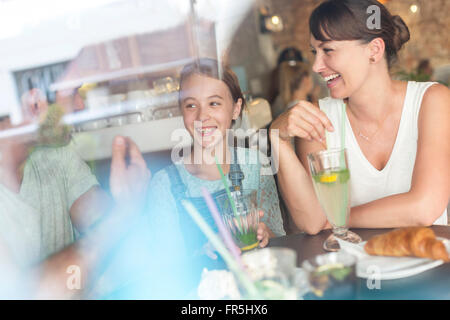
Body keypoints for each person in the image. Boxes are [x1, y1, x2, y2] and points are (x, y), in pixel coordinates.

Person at [270, 0, 449, 235]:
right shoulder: (319, 119)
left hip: (430, 262)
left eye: (328, 50)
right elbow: (313, 222)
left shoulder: (432, 100)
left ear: (374, 50)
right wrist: (277, 140)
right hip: (354, 265)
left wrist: (336, 218)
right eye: (315, 52)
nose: (316, 66)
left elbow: (424, 208)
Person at [145, 58, 285, 294]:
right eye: (191, 105)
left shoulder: (255, 164)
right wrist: (204, 252)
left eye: (214, 103)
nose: (202, 116)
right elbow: (166, 272)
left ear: (236, 108)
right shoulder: (165, 185)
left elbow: (279, 238)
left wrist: (264, 234)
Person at [0, 131, 151, 299]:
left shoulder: (57, 153)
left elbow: (103, 225)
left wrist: (128, 203)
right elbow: (21, 295)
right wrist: (122, 215)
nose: (79, 105)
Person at [18, 88, 111, 260]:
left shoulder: (58, 152)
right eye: (72, 91)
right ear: (35, 99)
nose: (80, 105)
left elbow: (96, 218)